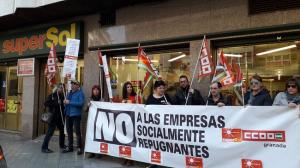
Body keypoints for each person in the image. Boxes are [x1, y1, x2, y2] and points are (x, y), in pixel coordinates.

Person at [63, 80, 85, 155]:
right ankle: (70, 147)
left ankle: (79, 148)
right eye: (72, 84)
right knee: (69, 132)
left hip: (76, 115)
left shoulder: (80, 93)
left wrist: (70, 102)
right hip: (68, 114)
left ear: (78, 86)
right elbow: (67, 102)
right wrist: (65, 102)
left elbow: (81, 103)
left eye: (74, 84)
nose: (72, 85)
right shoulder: (69, 93)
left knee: (77, 132)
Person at [41, 83, 65, 153]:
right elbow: (46, 103)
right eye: (60, 88)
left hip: (60, 117)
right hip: (53, 117)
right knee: (50, 132)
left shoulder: (63, 96)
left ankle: (62, 145)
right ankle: (44, 147)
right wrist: (57, 103)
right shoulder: (52, 95)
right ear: (57, 88)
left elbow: (62, 106)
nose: (61, 89)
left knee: (62, 131)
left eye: (63, 88)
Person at [85, 85, 101, 158]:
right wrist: (88, 106)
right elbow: (85, 110)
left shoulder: (102, 99)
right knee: (91, 136)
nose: (96, 91)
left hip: (100, 121)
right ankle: (91, 152)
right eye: (94, 89)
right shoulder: (90, 99)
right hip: (91, 121)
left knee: (98, 136)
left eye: (97, 89)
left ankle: (99, 152)